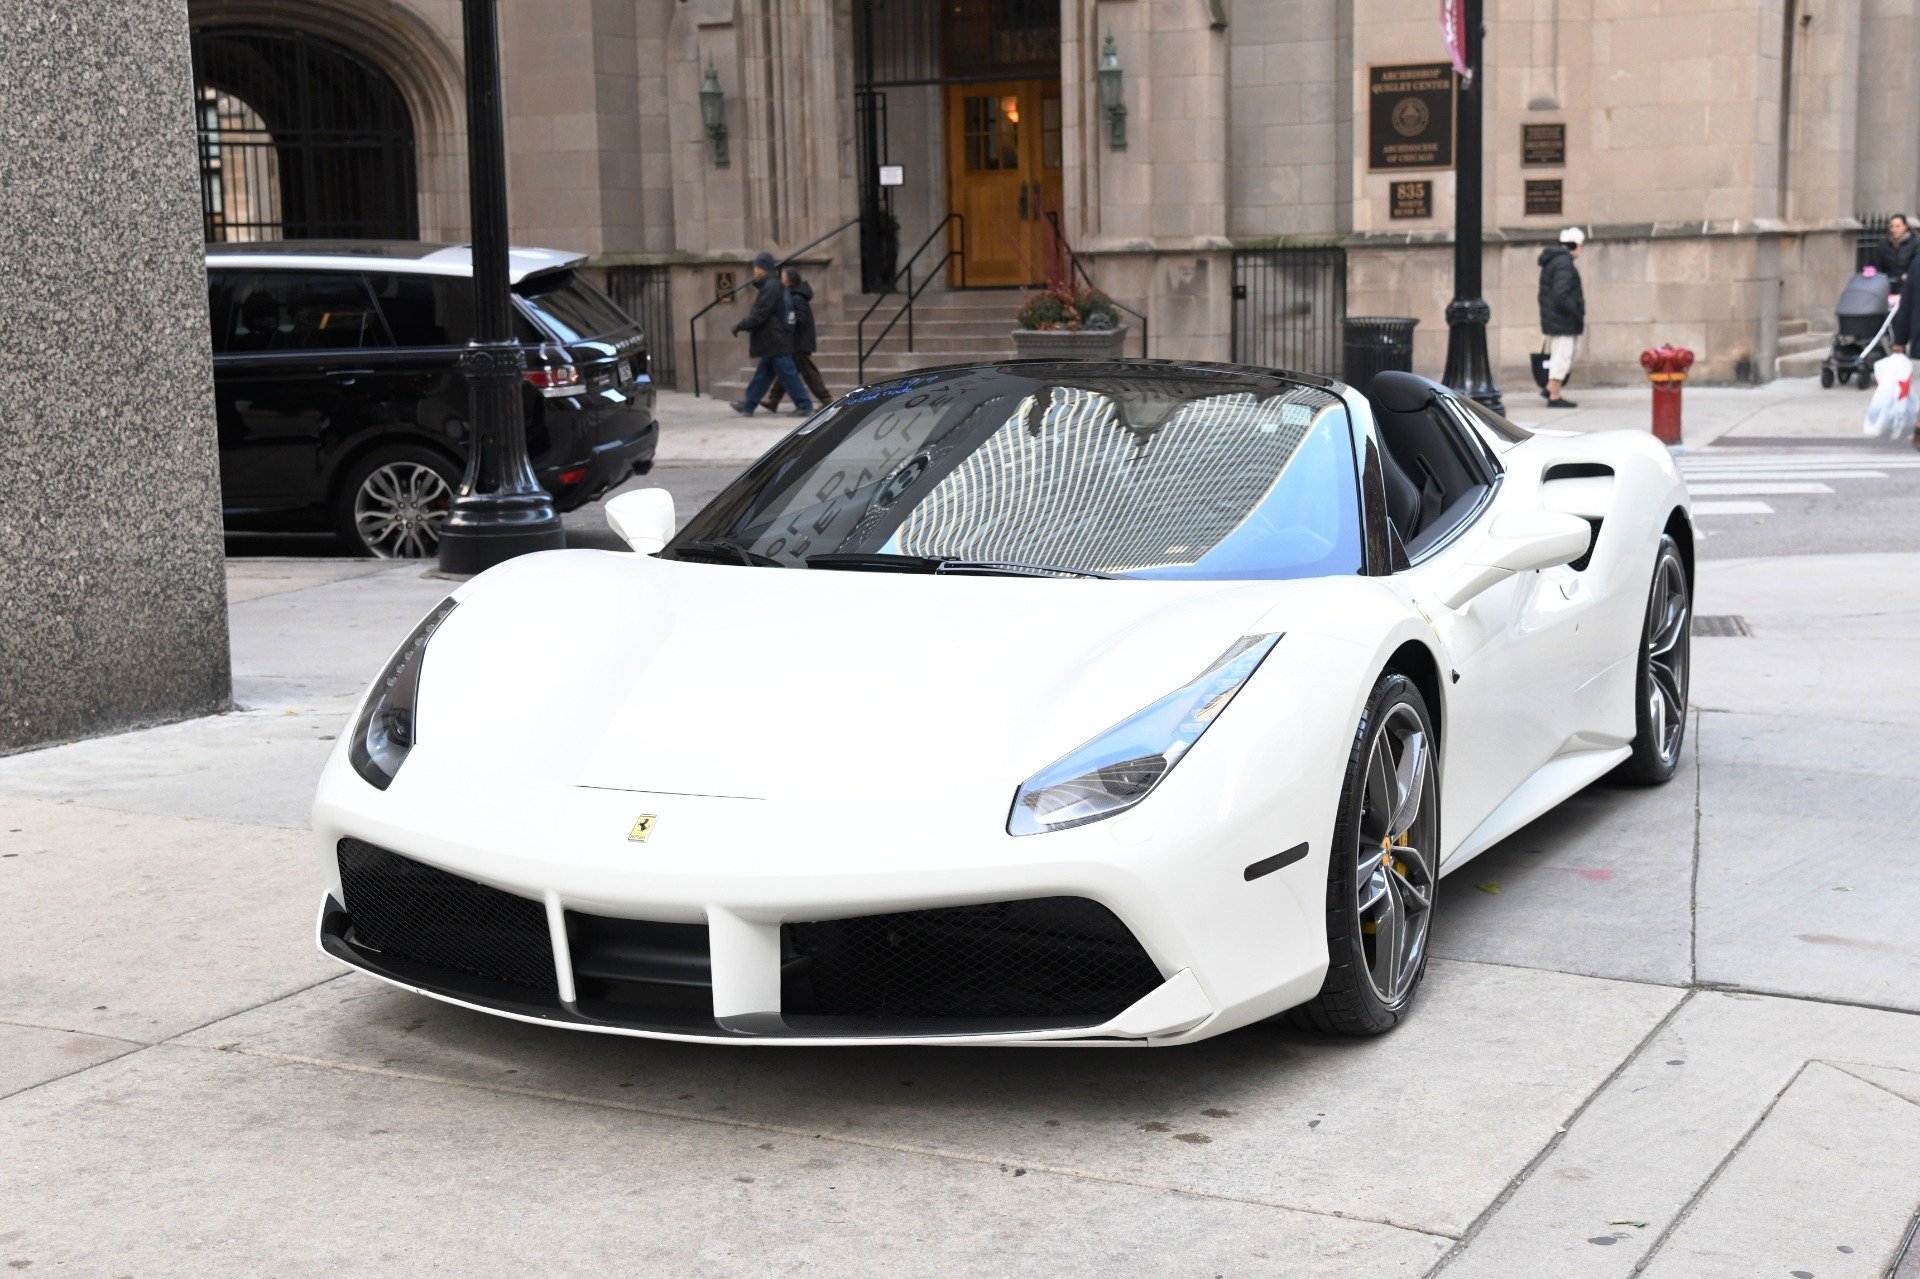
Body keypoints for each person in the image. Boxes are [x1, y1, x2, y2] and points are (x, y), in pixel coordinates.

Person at [730, 251, 812, 416]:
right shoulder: (773, 285)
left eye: (756, 267)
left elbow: (761, 314)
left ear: (762, 268)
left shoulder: (771, 287)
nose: (754, 271)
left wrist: (741, 325)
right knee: (763, 373)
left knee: (787, 373)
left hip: (776, 339)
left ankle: (804, 404)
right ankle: (749, 404)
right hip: (774, 339)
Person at [762, 267, 829, 412]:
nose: (781, 279)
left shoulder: (797, 298)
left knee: (808, 372)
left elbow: (800, 320)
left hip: (800, 342)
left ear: (789, 280)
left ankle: (825, 399)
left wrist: (786, 323)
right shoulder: (792, 295)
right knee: (786, 371)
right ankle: (773, 400)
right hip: (795, 341)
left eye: (783, 277)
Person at [1537, 227, 1586, 409]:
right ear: (1575, 245)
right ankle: (1555, 395)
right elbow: (1561, 294)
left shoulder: (1557, 261)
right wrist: (1575, 311)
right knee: (1563, 357)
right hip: (1563, 320)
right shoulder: (1564, 263)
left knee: (1565, 355)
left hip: (1558, 319)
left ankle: (1551, 387)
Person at [1876, 214, 1917, 291]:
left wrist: (1909, 274)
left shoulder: (1915, 243)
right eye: (1892, 226)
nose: (1894, 229)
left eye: (1897, 226)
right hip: (1887, 285)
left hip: (1907, 286)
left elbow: (1916, 263)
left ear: (1905, 227)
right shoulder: (1884, 243)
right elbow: (1877, 263)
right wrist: (1881, 274)